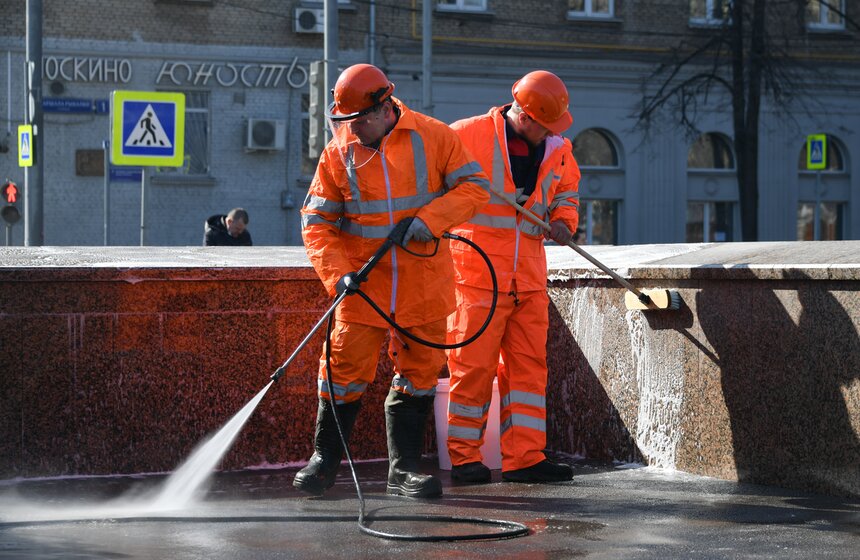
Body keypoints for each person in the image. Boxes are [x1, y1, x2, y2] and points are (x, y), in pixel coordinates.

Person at [296, 63, 490, 499]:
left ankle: (403, 471)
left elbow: (475, 188)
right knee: (341, 373)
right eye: (345, 121)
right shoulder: (339, 151)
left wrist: (430, 218)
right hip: (363, 286)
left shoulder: (434, 136)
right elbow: (316, 220)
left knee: (420, 375)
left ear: (385, 108)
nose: (352, 129)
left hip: (423, 284)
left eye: (359, 120)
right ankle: (324, 461)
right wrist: (337, 272)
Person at [445, 70, 581, 484]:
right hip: (477, 278)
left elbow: (567, 195)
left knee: (528, 371)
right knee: (471, 369)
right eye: (547, 125)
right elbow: (435, 188)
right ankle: (465, 458)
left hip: (528, 280)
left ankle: (525, 458)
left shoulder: (559, 148)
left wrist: (563, 221)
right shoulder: (466, 136)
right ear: (525, 115)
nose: (552, 133)